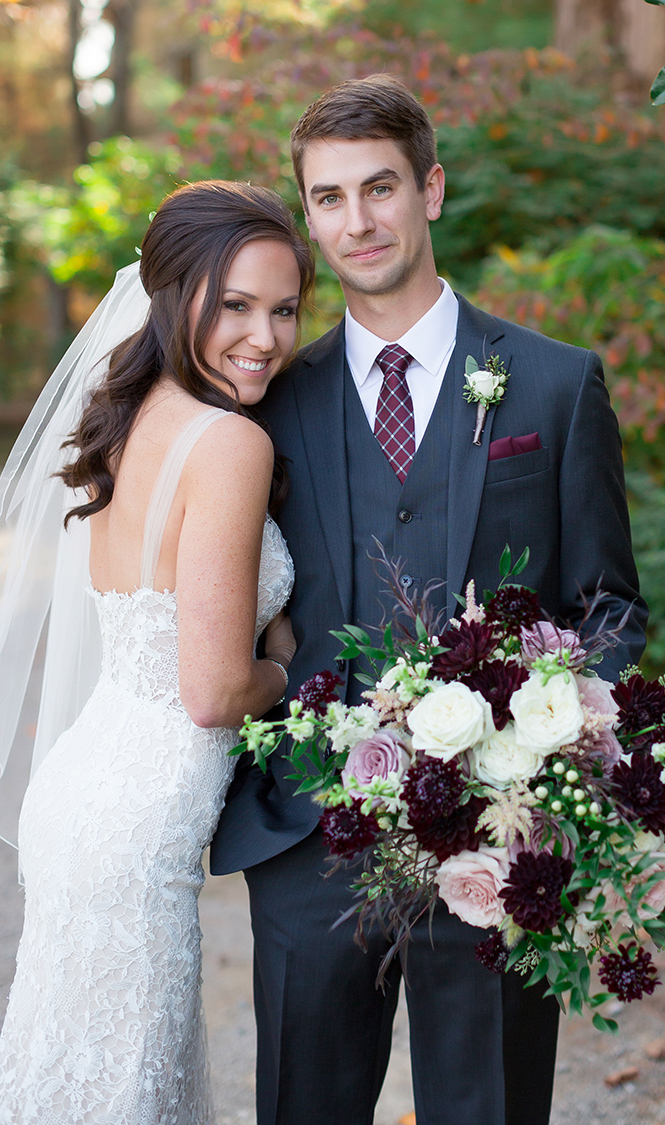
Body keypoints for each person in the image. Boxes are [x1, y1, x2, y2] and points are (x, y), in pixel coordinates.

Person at [210, 76, 648, 1125]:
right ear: (308, 216)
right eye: (327, 198)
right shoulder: (266, 404)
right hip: (312, 842)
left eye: (380, 188)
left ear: (432, 190)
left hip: (497, 845)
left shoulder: (551, 384)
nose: (356, 221)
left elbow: (609, 609)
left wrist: (549, 752)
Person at [0, 180, 314, 1123]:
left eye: (287, 308)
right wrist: (288, 663)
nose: (265, 336)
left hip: (80, 794)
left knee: (74, 1074)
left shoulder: (129, 413)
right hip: (137, 828)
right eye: (236, 306)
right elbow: (216, 690)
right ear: (175, 298)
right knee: (127, 1087)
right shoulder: (228, 443)